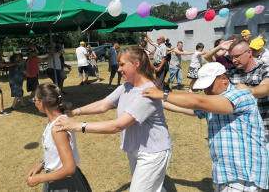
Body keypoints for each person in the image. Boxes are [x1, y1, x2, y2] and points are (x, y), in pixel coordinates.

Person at [55, 46, 173, 192]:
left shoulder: (148, 93)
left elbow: (117, 126)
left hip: (152, 153)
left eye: (122, 64)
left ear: (136, 64)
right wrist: (74, 112)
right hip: (136, 148)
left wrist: (78, 126)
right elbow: (104, 104)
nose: (118, 69)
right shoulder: (126, 86)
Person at [142, 62, 269, 191]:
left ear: (224, 78)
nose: (206, 91)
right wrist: (157, 102)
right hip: (226, 172)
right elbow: (186, 109)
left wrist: (162, 94)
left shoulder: (241, 95)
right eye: (204, 87)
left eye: (209, 85)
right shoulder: (214, 101)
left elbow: (198, 102)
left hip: (243, 174)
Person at [25, 83, 91, 191]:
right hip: (58, 178)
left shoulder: (57, 128)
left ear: (41, 103)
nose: (34, 102)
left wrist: (40, 178)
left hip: (64, 183)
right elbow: (55, 153)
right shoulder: (54, 121)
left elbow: (69, 168)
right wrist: (41, 165)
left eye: (34, 100)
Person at [226, 39, 269, 151]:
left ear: (249, 52)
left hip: (264, 130)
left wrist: (249, 91)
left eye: (237, 56)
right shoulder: (229, 73)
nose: (234, 60)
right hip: (239, 131)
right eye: (231, 57)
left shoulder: (264, 69)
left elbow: (266, 87)